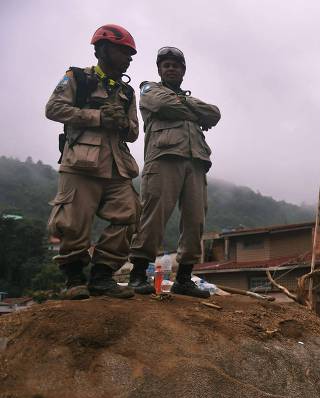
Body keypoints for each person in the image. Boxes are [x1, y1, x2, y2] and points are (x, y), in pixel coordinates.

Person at [45, 24, 140, 300]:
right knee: (73, 222)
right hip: (81, 163)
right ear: (103, 50)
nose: (129, 58)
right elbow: (53, 109)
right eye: (124, 52)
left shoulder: (126, 92)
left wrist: (123, 123)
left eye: (131, 54)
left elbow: (134, 132)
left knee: (130, 215)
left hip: (117, 166)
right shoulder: (76, 77)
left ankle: (102, 276)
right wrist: (97, 117)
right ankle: (74, 279)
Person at [128, 47, 221, 298]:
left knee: (195, 219)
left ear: (183, 71)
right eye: (166, 65)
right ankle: (136, 274)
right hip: (163, 158)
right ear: (159, 70)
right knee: (153, 215)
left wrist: (182, 104)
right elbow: (159, 103)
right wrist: (193, 111)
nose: (171, 68)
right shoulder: (149, 89)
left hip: (196, 162)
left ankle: (184, 278)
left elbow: (214, 113)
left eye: (176, 65)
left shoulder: (187, 98)